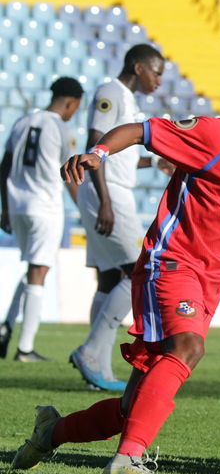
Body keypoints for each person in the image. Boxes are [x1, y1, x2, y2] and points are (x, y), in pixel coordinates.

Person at [10, 68, 220, 474]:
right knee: (188, 347)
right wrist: (99, 154)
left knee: (134, 407)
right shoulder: (218, 136)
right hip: (171, 263)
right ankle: (128, 460)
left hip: (210, 285)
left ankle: (50, 433)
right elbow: (139, 131)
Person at [70, 44, 169, 392]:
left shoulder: (128, 98)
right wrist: (107, 202)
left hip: (111, 187)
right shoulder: (112, 91)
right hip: (106, 190)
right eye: (156, 72)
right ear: (139, 67)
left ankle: (96, 359)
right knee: (137, 269)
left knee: (110, 277)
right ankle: (91, 352)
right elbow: (94, 143)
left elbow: (119, 156)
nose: (159, 80)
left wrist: (151, 163)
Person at [0, 77, 84, 361]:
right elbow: (70, 174)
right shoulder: (61, 128)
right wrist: (86, 208)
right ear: (71, 102)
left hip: (18, 206)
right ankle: (25, 349)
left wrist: (5, 208)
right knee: (39, 273)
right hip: (45, 207)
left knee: (32, 271)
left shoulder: (23, 122)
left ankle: (6, 327)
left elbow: (4, 165)